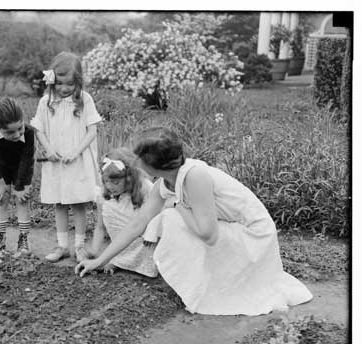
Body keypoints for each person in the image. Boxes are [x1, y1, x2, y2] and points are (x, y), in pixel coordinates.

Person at [76, 135, 313, 316]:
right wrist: (100, 259)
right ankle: (200, 278)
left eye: (140, 159)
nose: (136, 163)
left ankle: (203, 284)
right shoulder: (166, 182)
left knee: (170, 219)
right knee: (167, 217)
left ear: (152, 164)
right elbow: (137, 224)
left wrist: (177, 207)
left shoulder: (195, 176)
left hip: (253, 235)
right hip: (228, 228)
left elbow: (208, 235)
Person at [31, 51, 103, 262]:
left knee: (78, 202)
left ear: (78, 82)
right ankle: (62, 245)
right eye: (60, 83)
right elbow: (39, 129)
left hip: (77, 161)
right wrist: (49, 149)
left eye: (70, 84)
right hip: (56, 163)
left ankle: (79, 246)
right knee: (60, 203)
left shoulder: (84, 100)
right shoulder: (46, 102)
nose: (64, 88)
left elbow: (92, 131)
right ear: (52, 80)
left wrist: (76, 152)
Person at [87, 148, 176, 277]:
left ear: (129, 178)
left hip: (145, 236)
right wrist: (94, 251)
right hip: (121, 237)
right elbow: (100, 227)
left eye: (115, 182)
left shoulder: (146, 188)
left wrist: (152, 232)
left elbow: (160, 214)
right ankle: (117, 259)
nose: (110, 186)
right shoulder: (104, 194)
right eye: (106, 182)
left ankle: (147, 262)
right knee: (108, 207)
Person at [0, 97, 35, 256]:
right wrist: (0, 184)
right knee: (1, 199)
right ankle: (0, 235)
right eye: (10, 132)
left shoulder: (28, 132)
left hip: (22, 169)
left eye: (19, 128)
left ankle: (24, 237)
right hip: (1, 169)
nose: (17, 134)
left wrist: (19, 187)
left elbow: (27, 159)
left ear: (22, 121)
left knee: (22, 200)